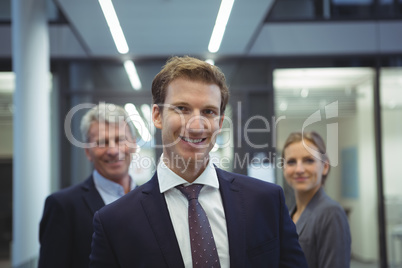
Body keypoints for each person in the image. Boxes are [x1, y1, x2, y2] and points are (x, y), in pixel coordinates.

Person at [89, 56, 308, 268]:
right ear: (157, 116)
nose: (196, 125)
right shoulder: (114, 222)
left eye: (208, 111)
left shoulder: (266, 201)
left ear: (220, 122)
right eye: (182, 108)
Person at [38, 103, 137, 268]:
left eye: (120, 140)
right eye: (102, 142)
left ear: (133, 145)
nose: (113, 150)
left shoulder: (153, 200)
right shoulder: (63, 206)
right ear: (87, 152)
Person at [282, 131, 351, 268]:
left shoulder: (331, 213)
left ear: (325, 167)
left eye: (309, 160)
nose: (299, 169)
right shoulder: (291, 214)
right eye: (291, 162)